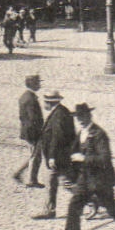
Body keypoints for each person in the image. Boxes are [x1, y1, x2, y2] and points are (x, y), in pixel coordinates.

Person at [33, 90, 77, 219]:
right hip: (60, 155)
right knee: (59, 182)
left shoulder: (59, 114)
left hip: (58, 156)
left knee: (63, 183)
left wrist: (52, 156)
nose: (44, 104)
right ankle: (49, 210)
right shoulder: (60, 112)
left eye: (45, 102)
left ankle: (92, 200)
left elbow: (57, 137)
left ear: (50, 102)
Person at [13, 74, 45, 187]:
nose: (39, 85)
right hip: (33, 132)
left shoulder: (25, 96)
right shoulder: (31, 99)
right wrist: (40, 131)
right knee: (36, 156)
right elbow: (34, 118)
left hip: (27, 130)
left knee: (34, 155)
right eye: (38, 82)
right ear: (32, 84)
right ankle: (31, 179)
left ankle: (19, 174)